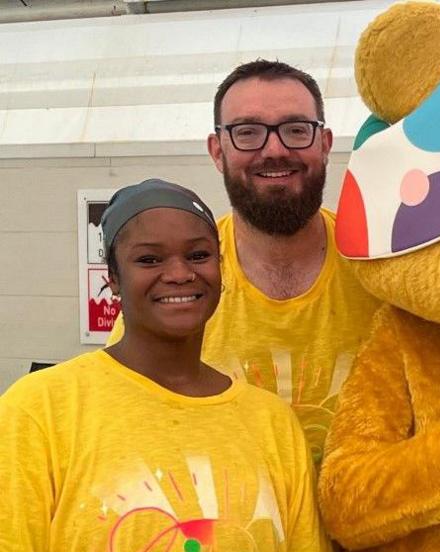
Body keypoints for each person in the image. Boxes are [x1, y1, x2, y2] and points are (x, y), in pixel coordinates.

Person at [0, 179, 346, 552]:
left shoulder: (272, 423)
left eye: (199, 255)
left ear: (220, 270)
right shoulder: (41, 409)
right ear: (113, 278)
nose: (180, 272)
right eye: (149, 259)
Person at [111, 60, 381, 466]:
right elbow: (127, 423)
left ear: (325, 144)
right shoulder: (179, 286)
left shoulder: (383, 270)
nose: (275, 150)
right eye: (248, 132)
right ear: (218, 151)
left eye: (295, 129)